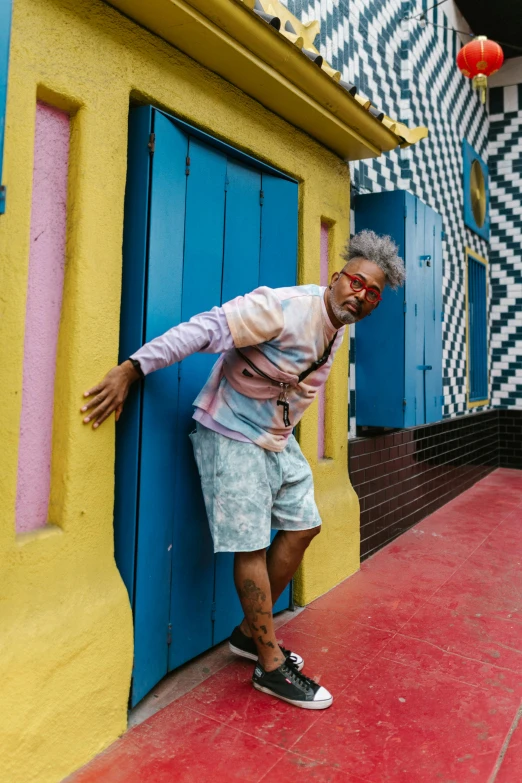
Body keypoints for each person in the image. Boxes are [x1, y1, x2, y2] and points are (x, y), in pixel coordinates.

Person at [81, 230, 405, 710]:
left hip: (274, 436)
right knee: (250, 542)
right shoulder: (284, 306)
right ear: (337, 278)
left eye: (372, 293)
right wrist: (133, 368)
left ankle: (247, 635)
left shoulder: (338, 326)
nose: (360, 296)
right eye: (356, 283)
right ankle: (270, 666)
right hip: (230, 428)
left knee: (304, 526)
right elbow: (205, 329)